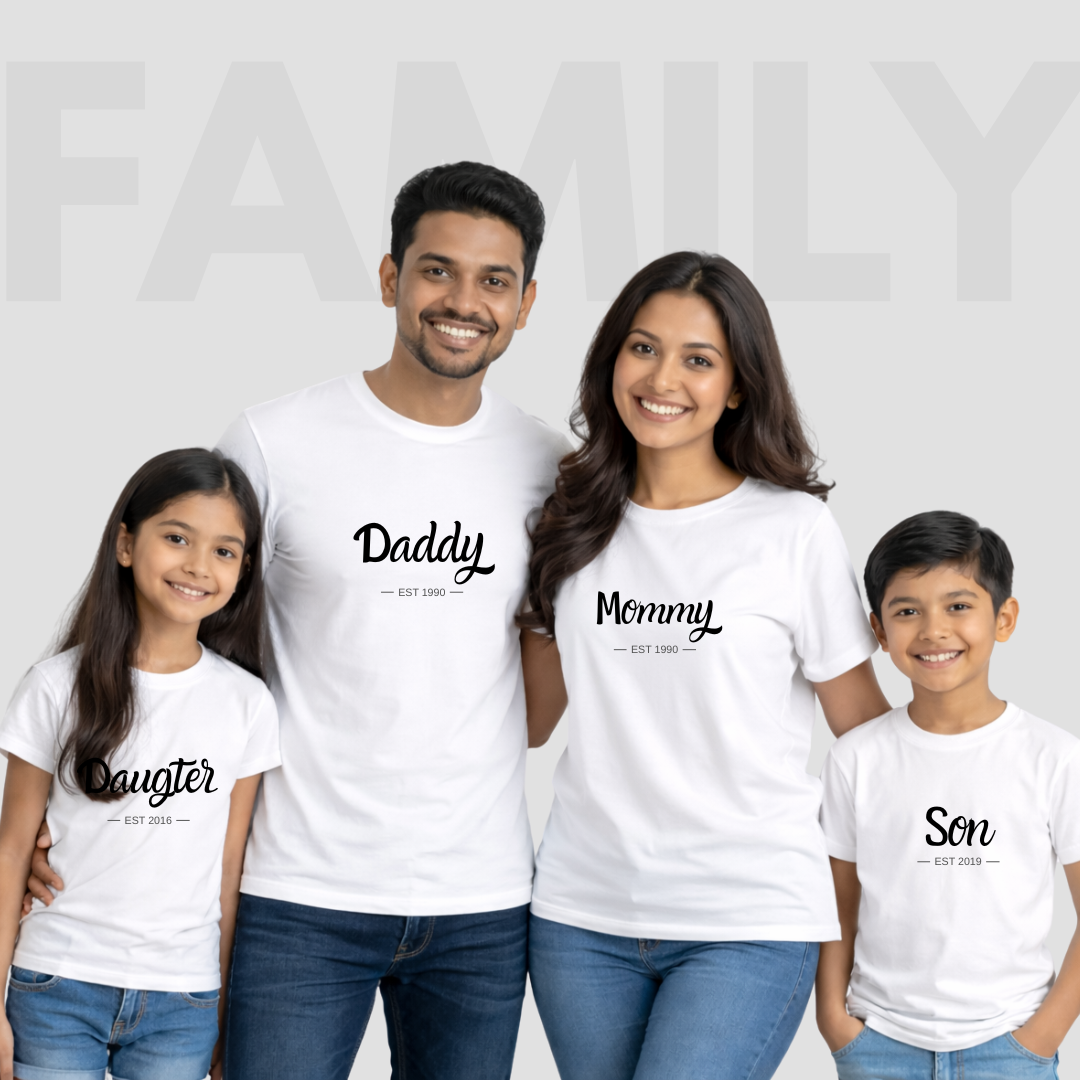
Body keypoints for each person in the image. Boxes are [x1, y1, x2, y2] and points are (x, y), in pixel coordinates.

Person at [27, 162, 570, 1079]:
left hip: (479, 904)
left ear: (524, 304)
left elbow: (539, 712)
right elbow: (182, 643)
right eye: (437, 270)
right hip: (292, 895)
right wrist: (63, 799)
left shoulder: (551, 467)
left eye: (494, 281)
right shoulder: (277, 439)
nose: (463, 301)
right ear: (392, 277)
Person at [518, 251, 891, 1080]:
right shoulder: (569, 521)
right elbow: (537, 721)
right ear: (612, 359)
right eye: (643, 348)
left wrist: (883, 916)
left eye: (699, 359)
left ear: (739, 386)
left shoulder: (791, 530)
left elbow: (864, 733)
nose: (664, 378)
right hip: (583, 916)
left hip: (748, 915)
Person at [0, 449, 279, 1080]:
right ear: (126, 544)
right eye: (176, 538)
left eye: (224, 551)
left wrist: (223, 1010)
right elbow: (11, 852)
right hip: (56, 984)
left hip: (181, 998)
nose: (197, 566)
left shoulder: (246, 703)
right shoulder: (54, 687)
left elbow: (229, 871)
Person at [816, 511, 1080, 1078]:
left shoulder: (1054, 757)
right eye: (907, 611)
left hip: (1010, 1045)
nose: (933, 629)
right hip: (879, 1041)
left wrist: (1041, 1036)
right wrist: (835, 1021)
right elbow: (839, 904)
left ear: (1004, 618)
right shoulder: (855, 758)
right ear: (879, 632)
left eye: (958, 606)